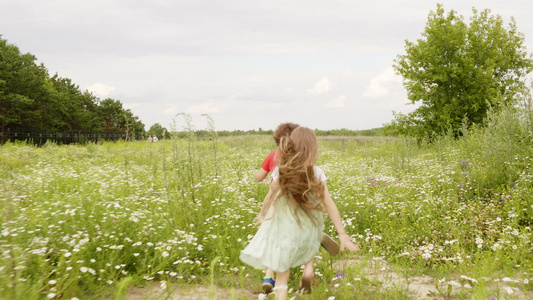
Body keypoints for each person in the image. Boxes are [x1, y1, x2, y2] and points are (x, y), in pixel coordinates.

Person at [240, 126, 359, 300]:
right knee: (309, 248)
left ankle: (280, 294)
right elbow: (329, 203)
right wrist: (342, 233)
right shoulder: (317, 172)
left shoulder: (282, 170)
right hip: (309, 225)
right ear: (313, 148)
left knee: (283, 272)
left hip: (285, 227)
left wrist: (262, 213)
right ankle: (312, 259)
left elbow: (269, 196)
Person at [253, 123, 340, 294]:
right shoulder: (314, 170)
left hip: (282, 213)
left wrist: (263, 214)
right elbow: (326, 200)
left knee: (276, 252)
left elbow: (262, 182)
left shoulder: (277, 162)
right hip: (306, 215)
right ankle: (308, 271)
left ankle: (269, 277)